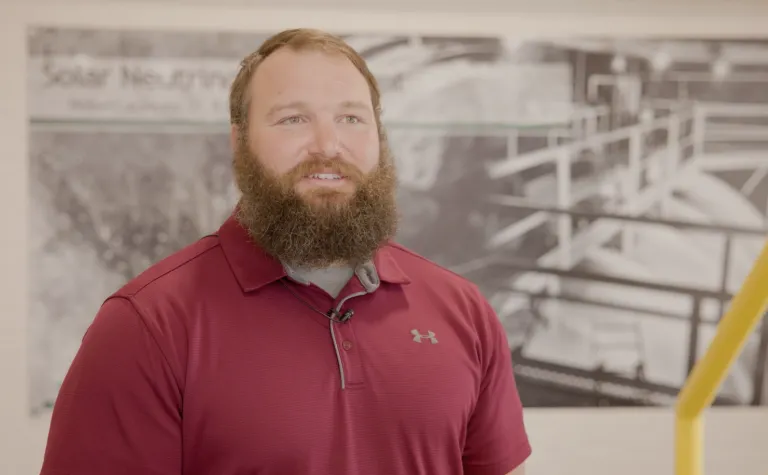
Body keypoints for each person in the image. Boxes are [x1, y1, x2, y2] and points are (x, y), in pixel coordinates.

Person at [39, 28, 531, 475]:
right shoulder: (145, 327)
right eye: (293, 119)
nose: (328, 144)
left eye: (350, 118)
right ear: (240, 144)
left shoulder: (464, 313)